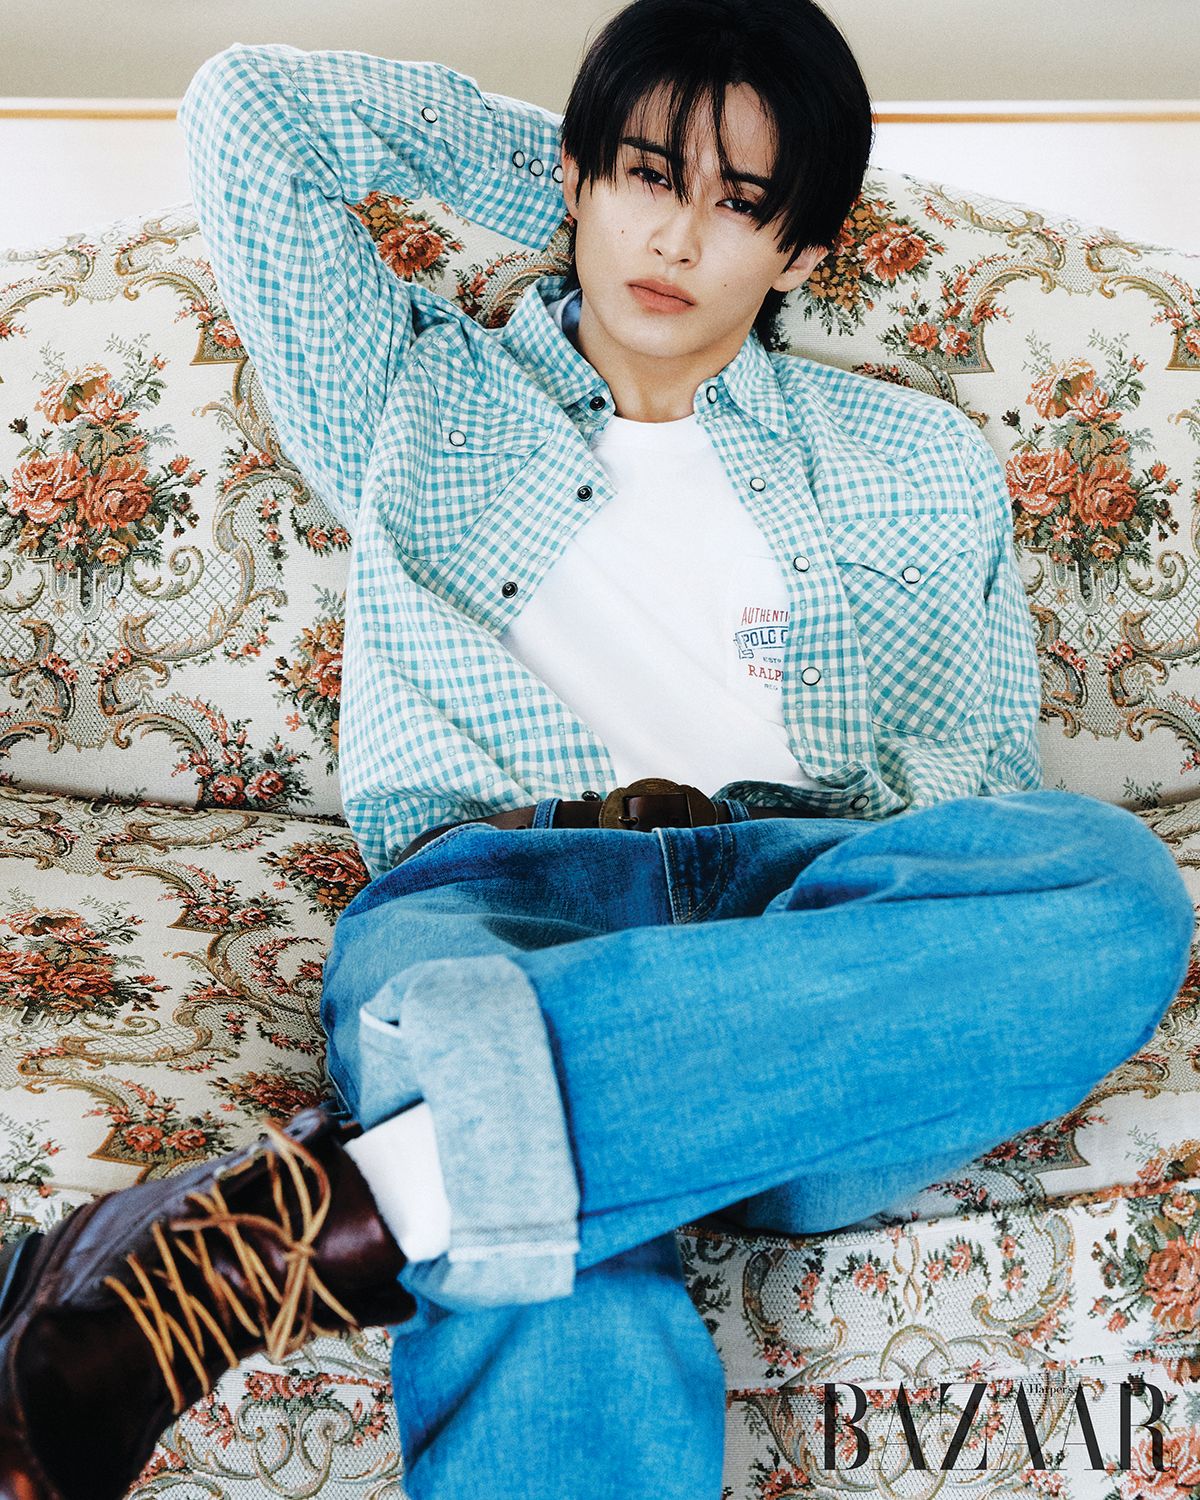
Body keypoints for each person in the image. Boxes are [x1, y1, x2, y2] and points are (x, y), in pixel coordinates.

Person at [0, 2, 1193, 1497]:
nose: (678, 239)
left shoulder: (919, 462)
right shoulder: (416, 399)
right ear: (579, 176)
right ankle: (503, 1151)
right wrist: (588, 163)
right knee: (551, 1265)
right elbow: (251, 116)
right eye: (647, 177)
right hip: (500, 905)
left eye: (743, 205)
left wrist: (821, 954)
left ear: (803, 252)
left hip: (807, 928)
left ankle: (343, 1210)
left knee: (1114, 887)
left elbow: (970, 787)